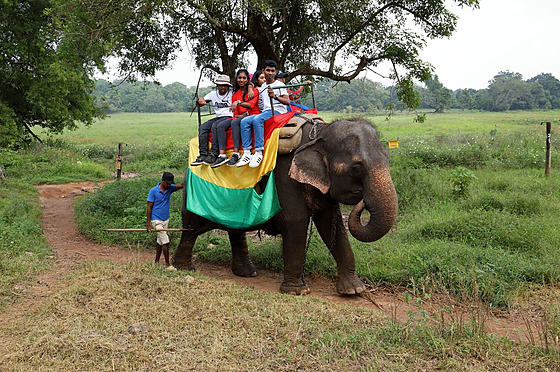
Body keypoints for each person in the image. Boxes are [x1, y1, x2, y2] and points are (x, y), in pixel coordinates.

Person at [237, 60, 290, 168]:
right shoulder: (263, 86)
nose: (270, 73)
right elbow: (255, 93)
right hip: (266, 111)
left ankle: (258, 151)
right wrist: (250, 88)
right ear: (263, 71)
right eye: (268, 70)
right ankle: (247, 152)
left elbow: (287, 101)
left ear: (275, 73)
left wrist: (275, 97)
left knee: (257, 120)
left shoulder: (279, 84)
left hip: (277, 111)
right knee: (244, 121)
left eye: (272, 71)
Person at [212, 69, 260, 167]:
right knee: (220, 126)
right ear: (236, 79)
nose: (241, 80)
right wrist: (242, 115)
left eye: (244, 78)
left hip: (253, 115)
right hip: (241, 117)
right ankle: (222, 155)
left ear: (247, 80)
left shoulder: (254, 90)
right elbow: (235, 114)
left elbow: (251, 105)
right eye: (239, 78)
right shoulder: (235, 94)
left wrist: (239, 102)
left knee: (234, 123)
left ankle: (236, 153)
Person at [190, 74, 234, 166]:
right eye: (220, 85)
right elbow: (201, 101)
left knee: (215, 126)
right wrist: (199, 100)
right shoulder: (213, 94)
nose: (223, 87)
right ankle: (203, 154)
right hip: (218, 117)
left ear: (228, 86)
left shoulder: (232, 92)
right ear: (217, 85)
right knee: (203, 127)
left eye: (225, 85)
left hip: (229, 116)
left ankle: (214, 154)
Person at [146, 172, 184, 266]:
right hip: (156, 220)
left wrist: (189, 180)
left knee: (160, 241)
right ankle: (168, 264)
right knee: (165, 241)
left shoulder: (170, 189)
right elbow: (149, 208)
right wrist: (148, 224)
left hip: (165, 219)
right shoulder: (153, 191)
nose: (169, 185)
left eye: (170, 183)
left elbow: (180, 186)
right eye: (167, 183)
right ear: (162, 180)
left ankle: (156, 262)